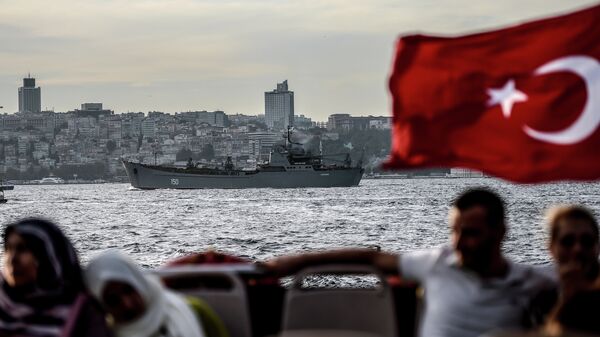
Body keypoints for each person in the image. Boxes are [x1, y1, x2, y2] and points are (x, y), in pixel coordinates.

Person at [264, 188, 556, 337]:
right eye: (455, 231)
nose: (458, 243)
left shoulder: (532, 282)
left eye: (471, 234)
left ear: (500, 232)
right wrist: (294, 262)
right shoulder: (436, 263)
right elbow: (371, 258)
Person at [0, 218, 111, 337]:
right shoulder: (3, 300)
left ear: (48, 254)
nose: (12, 259)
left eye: (22, 249)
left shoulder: (81, 312)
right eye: (8, 249)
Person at [85, 249, 207, 337]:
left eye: (129, 290)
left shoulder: (179, 310)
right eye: (113, 301)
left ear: (139, 283)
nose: (127, 305)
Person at [543, 205, 600, 336]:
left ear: (597, 246)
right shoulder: (538, 296)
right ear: (551, 247)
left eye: (587, 241)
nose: (578, 249)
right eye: (567, 241)